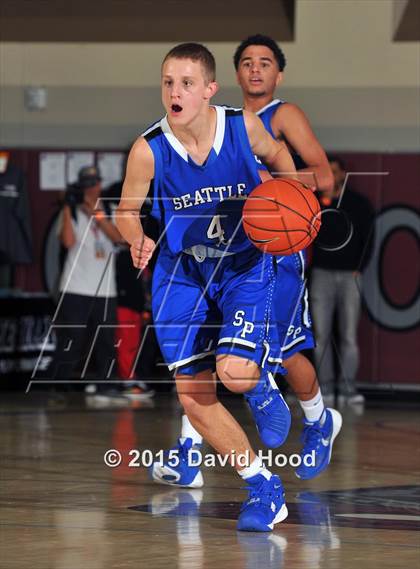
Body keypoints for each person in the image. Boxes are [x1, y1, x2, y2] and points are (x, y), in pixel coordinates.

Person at [116, 42, 298, 532]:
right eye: (168, 82)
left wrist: (292, 194)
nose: (175, 92)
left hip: (243, 265)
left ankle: (257, 385)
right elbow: (126, 211)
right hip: (183, 272)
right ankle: (264, 487)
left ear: (209, 90)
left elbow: (279, 154)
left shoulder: (242, 126)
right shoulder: (148, 149)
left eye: (187, 83)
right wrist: (138, 238)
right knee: (194, 396)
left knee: (235, 373)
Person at [153, 34, 342, 486]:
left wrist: (274, 189)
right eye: (248, 63)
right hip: (220, 251)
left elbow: (324, 175)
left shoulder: (283, 116)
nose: (255, 70)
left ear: (278, 73)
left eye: (265, 63)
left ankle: (319, 420)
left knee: (288, 348)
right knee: (202, 347)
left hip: (273, 244)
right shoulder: (213, 120)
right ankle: (188, 452)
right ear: (232, 75)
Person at [46, 166, 124, 392]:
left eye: (95, 183)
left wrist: (97, 216)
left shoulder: (109, 209)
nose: (92, 188)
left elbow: (119, 239)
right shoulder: (71, 211)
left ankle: (106, 383)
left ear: (100, 184)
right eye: (87, 185)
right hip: (75, 287)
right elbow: (68, 241)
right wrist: (68, 208)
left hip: (105, 289)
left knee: (106, 339)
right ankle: (59, 383)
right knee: (72, 338)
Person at [310, 155, 375, 405]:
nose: (332, 176)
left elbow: (369, 237)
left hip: (350, 275)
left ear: (343, 174)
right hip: (321, 274)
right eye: (328, 171)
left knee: (348, 335)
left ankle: (348, 389)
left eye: (335, 172)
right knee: (320, 335)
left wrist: (360, 267)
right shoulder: (315, 202)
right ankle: (324, 387)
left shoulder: (358, 203)